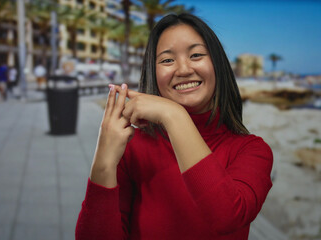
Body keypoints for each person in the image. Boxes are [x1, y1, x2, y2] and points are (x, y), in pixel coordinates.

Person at [76, 13, 273, 239]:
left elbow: (227, 216)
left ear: (218, 65)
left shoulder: (252, 151)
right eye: (167, 60)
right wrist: (103, 162)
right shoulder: (132, 149)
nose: (183, 70)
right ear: (153, 72)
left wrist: (174, 115)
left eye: (196, 55)